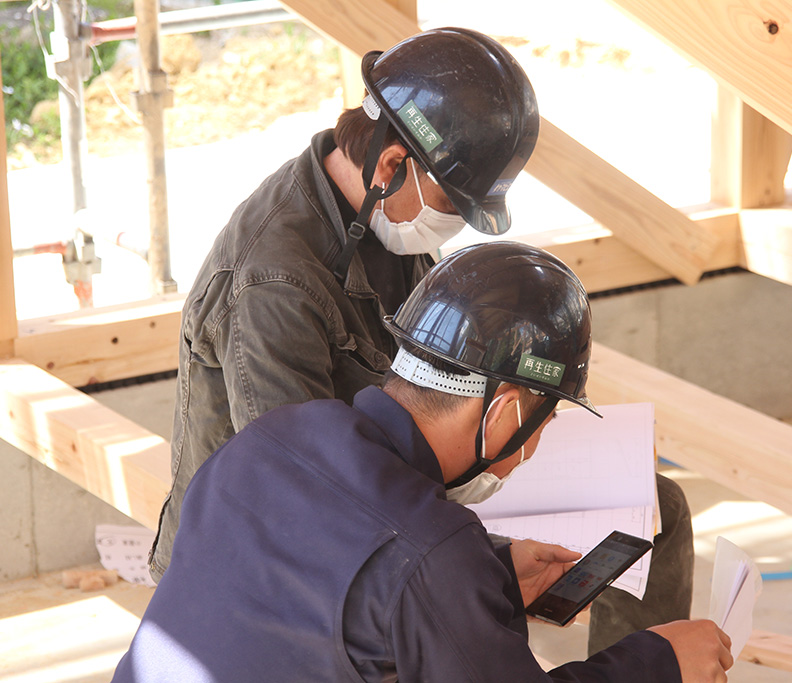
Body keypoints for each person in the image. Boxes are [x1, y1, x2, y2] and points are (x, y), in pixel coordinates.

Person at [149, 26, 693, 653]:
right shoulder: (274, 280)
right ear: (390, 164)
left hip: (395, 483)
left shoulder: (386, 216)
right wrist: (478, 558)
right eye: (454, 203)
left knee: (654, 508)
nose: (456, 224)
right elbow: (303, 499)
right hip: (291, 556)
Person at [114, 242, 732, 682]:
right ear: (505, 413)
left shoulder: (271, 440)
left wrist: (486, 578)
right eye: (545, 422)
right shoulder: (433, 551)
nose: (534, 449)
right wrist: (657, 663)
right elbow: (407, 568)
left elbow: (327, 578)